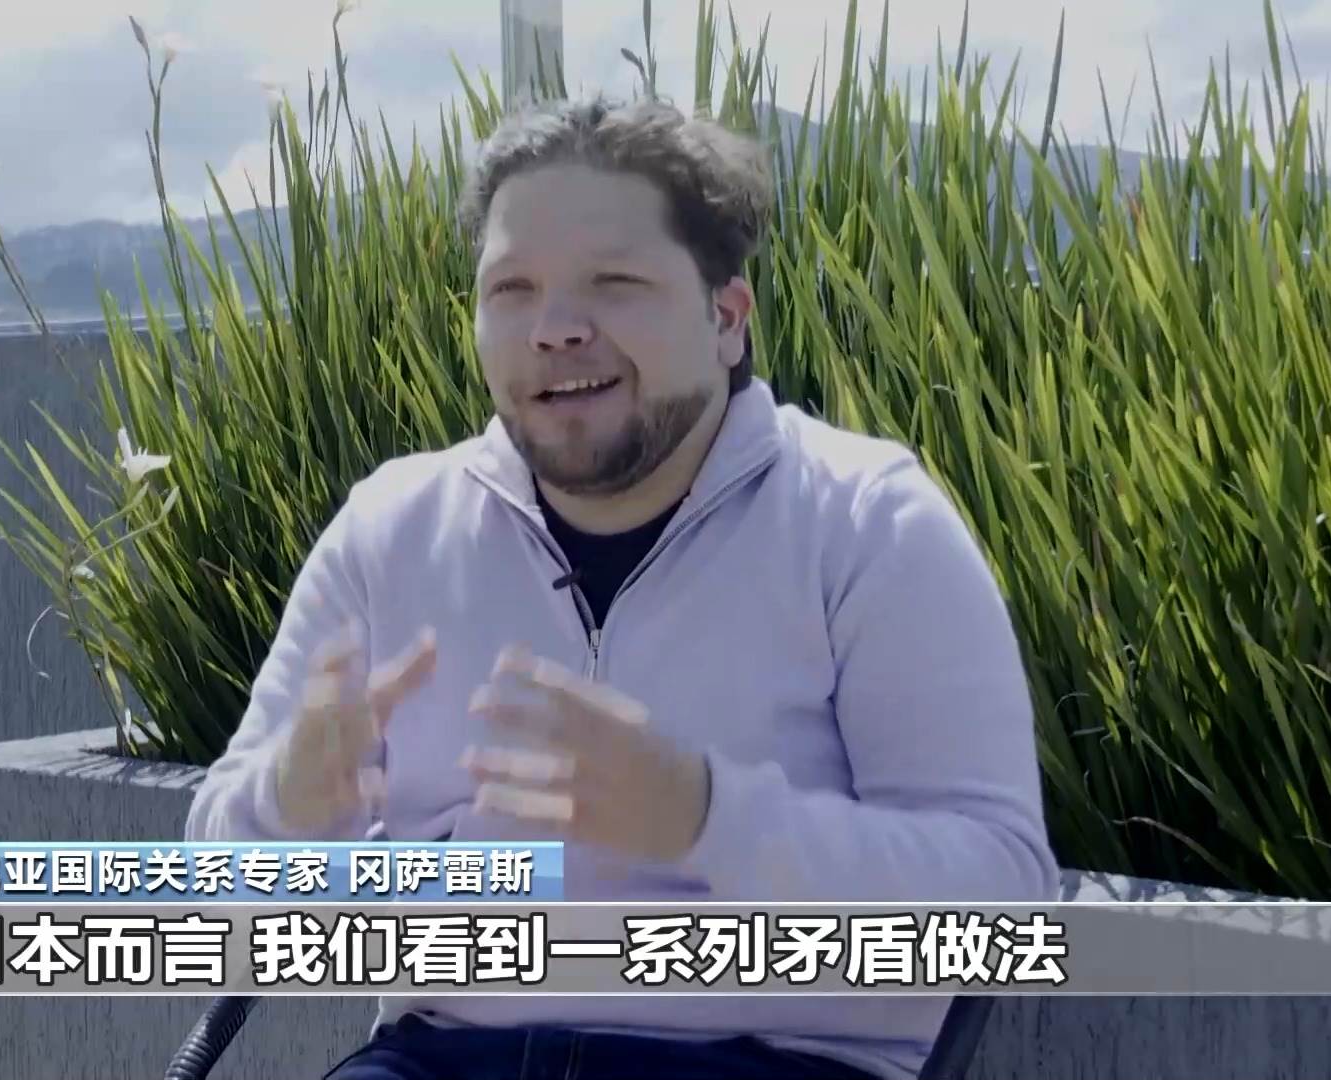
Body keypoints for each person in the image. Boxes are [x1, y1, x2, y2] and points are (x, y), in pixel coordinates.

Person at [186, 94, 1060, 1080]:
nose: (556, 329)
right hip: (445, 1058)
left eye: (615, 283)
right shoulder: (392, 530)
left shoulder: (868, 524)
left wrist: (707, 819)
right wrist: (289, 805)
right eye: (513, 289)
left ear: (726, 317)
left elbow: (1002, 904)